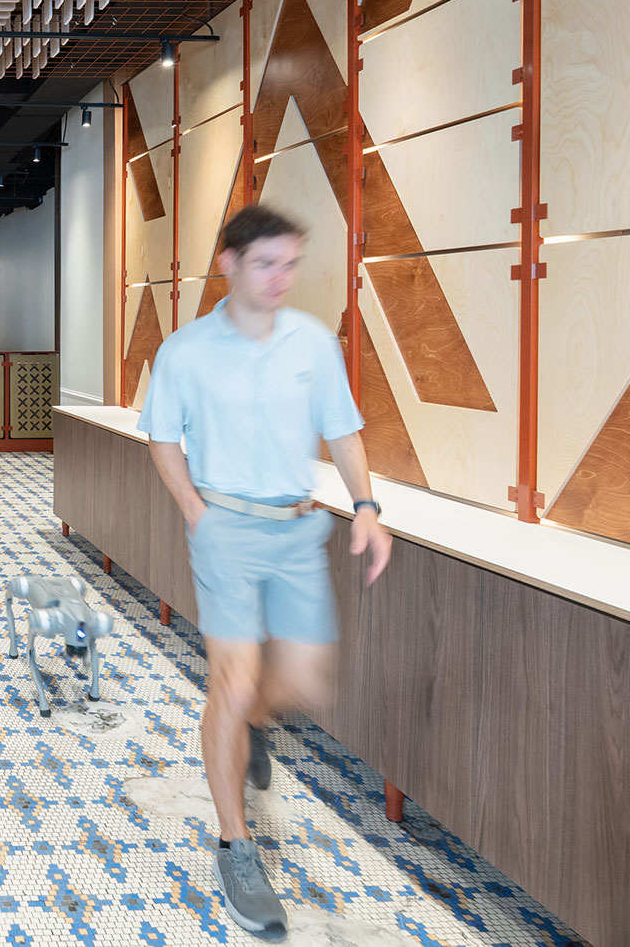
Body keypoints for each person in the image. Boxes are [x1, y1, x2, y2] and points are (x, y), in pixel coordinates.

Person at [139, 204, 392, 938]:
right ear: (230, 263)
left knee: (305, 682)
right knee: (234, 678)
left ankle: (254, 721)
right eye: (265, 263)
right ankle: (236, 846)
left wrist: (367, 505)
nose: (281, 278)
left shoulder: (312, 342)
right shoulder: (188, 350)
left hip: (296, 528)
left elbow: (341, 428)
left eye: (290, 264)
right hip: (224, 528)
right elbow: (162, 437)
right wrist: (193, 509)